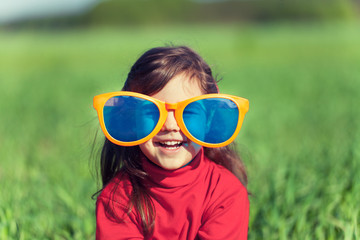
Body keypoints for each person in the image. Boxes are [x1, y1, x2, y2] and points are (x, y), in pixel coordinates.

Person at [93, 46, 250, 240]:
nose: (169, 125)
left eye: (188, 111)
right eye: (151, 111)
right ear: (133, 118)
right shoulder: (117, 199)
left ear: (208, 120)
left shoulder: (226, 194)